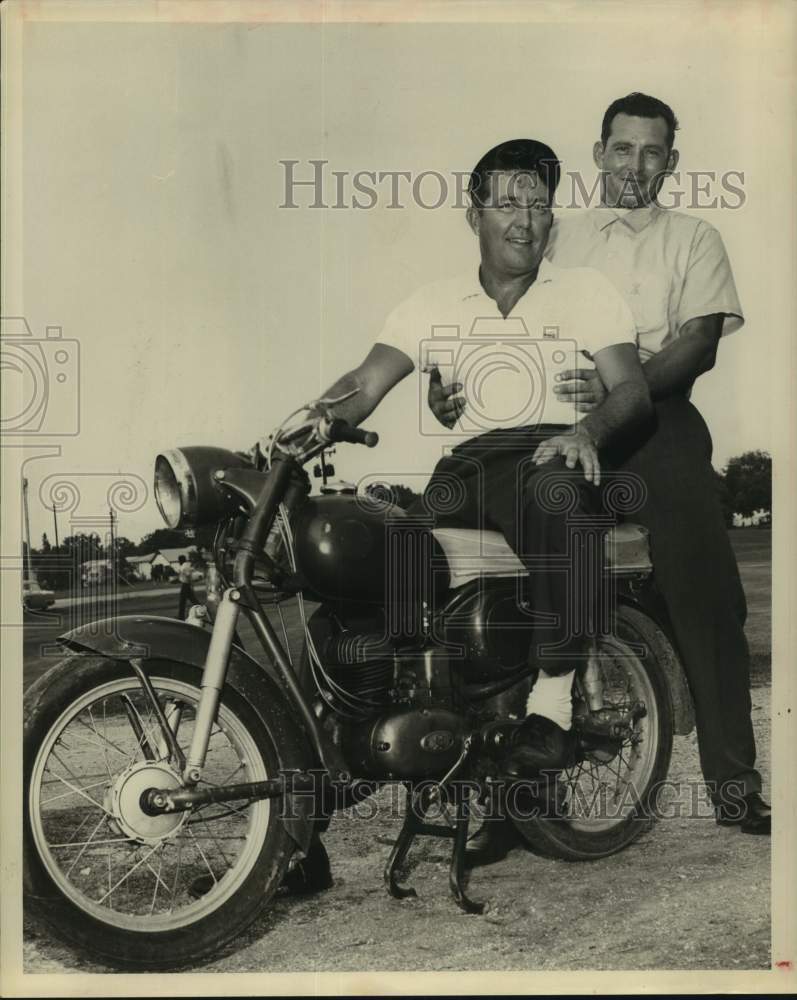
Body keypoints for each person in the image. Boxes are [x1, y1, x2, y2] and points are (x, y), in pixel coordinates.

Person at [284, 137, 652, 885]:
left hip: (546, 452)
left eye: (540, 205)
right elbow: (363, 380)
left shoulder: (585, 290)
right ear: (473, 211)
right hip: (465, 469)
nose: (525, 220)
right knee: (358, 572)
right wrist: (307, 423)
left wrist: (584, 432)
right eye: (508, 202)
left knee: (559, 499)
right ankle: (300, 826)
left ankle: (549, 707)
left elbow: (632, 391)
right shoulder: (428, 303)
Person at [429, 93, 770, 839]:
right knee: (484, 583)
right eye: (622, 149)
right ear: (598, 153)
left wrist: (625, 389)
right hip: (544, 428)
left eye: (652, 152)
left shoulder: (692, 237)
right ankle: (513, 793)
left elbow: (698, 342)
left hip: (655, 424)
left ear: (670, 163)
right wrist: (449, 386)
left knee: (702, 588)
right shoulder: (556, 235)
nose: (634, 166)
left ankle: (733, 784)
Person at [176, 554, 197, 621]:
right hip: (186, 585)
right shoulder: (186, 565)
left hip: (185, 585)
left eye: (179, 560)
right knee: (192, 600)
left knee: (183, 601)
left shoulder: (184, 566)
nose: (179, 562)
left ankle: (181, 617)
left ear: (181, 560)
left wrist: (184, 573)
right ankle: (202, 609)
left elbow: (187, 575)